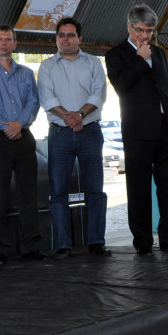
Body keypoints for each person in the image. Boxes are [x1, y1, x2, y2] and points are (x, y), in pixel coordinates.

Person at [105, 4, 168, 254]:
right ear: (129, 26)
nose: (144, 36)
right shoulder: (116, 55)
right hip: (139, 132)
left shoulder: (160, 53)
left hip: (167, 129)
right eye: (140, 30)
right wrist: (140, 60)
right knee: (139, 189)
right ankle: (142, 241)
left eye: (149, 31)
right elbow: (122, 86)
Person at [37, 17, 109, 257]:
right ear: (56, 38)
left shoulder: (93, 64)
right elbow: (47, 98)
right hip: (59, 134)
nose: (65, 39)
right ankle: (63, 245)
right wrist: (69, 117)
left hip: (90, 131)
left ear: (79, 38)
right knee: (58, 192)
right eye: (61, 35)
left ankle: (96, 242)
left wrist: (79, 115)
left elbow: (98, 94)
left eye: (70, 35)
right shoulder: (47, 66)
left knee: (95, 190)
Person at [0, 25, 44, 263]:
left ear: (15, 44)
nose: (4, 43)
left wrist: (19, 124)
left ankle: (31, 247)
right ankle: (0, 250)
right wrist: (8, 127)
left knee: (29, 195)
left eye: (8, 39)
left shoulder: (26, 73)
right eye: (0, 39)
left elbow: (33, 103)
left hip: (24, 137)